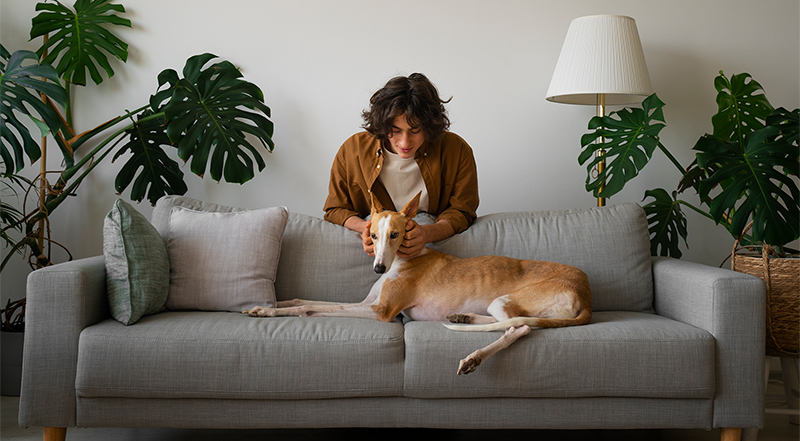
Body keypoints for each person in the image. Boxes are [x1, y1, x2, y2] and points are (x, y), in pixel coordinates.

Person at [323, 73, 479, 258]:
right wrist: (369, 229)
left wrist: (427, 233)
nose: (405, 142)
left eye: (415, 131)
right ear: (383, 124)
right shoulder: (352, 151)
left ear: (429, 126)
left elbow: (463, 211)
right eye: (395, 131)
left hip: (433, 255)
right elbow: (335, 209)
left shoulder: (457, 150)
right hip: (373, 255)